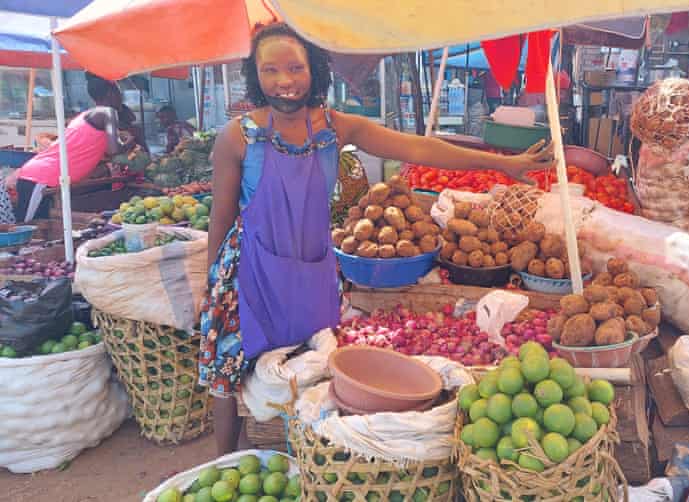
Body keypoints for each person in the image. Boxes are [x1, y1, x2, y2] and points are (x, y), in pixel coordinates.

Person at [199, 23, 554, 455]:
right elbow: (220, 219)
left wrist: (501, 163)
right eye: (270, 69)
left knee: (306, 374)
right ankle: (228, 462)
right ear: (255, 75)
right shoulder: (236, 136)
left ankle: (303, 462)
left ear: (315, 69)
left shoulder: (336, 128)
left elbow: (419, 149)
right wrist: (208, 286)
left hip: (311, 272)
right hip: (250, 273)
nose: (284, 80)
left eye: (295, 67)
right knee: (229, 375)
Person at [13, 107, 123, 222]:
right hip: (39, 178)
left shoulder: (93, 124)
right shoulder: (106, 113)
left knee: (40, 224)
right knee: (24, 224)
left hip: (44, 179)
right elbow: (114, 150)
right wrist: (130, 143)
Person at [86, 73, 149, 152]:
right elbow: (114, 151)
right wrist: (128, 144)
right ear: (110, 94)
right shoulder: (105, 115)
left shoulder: (122, 110)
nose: (121, 97)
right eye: (118, 92)